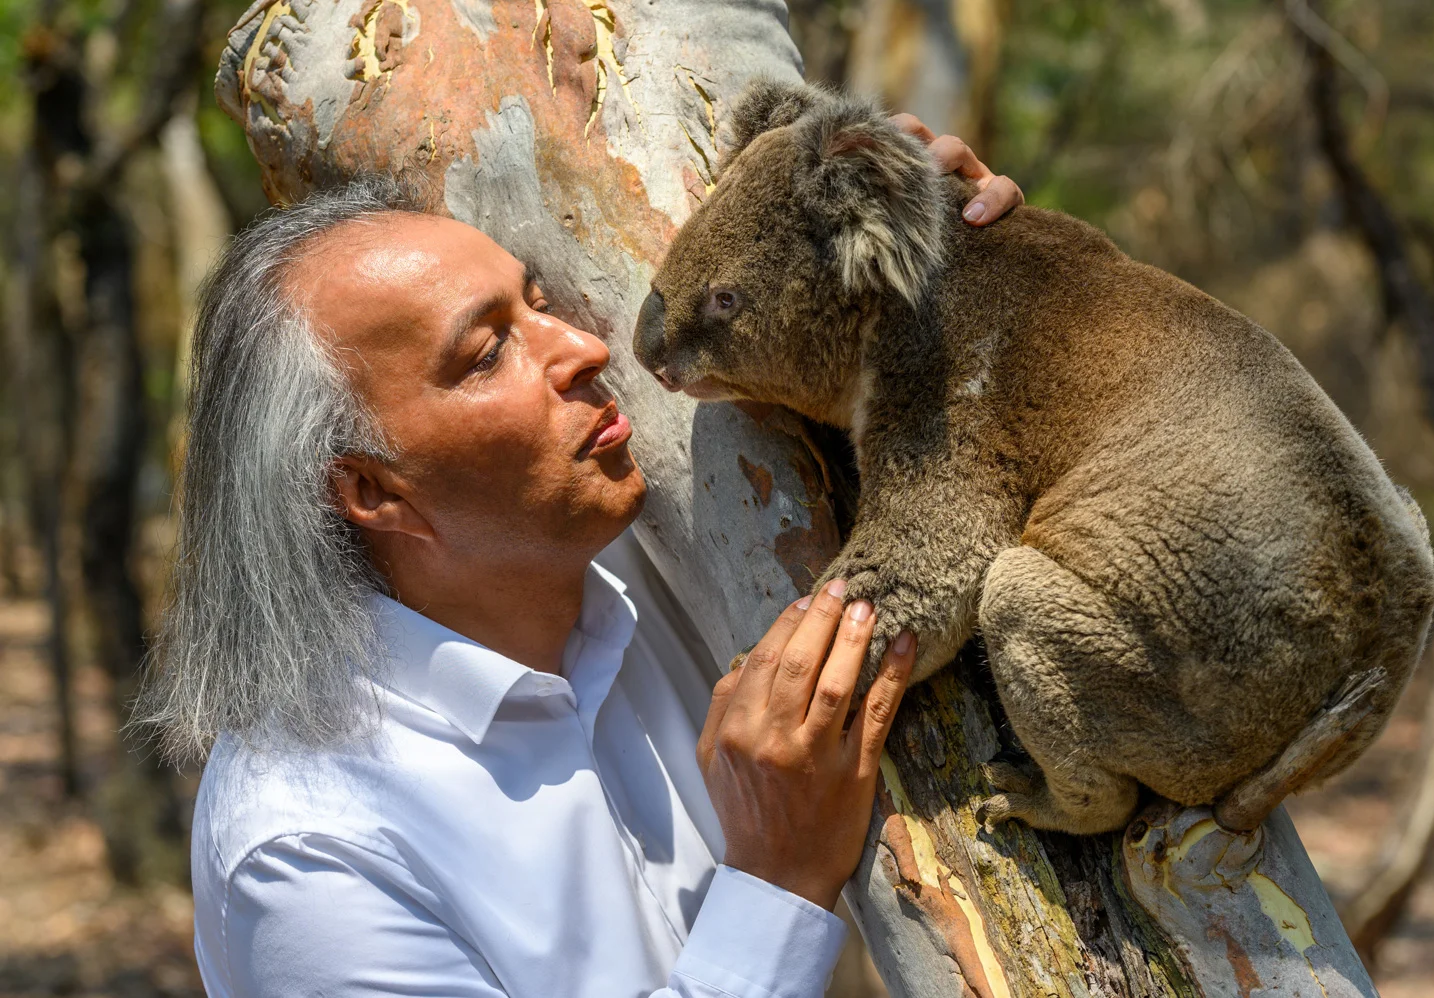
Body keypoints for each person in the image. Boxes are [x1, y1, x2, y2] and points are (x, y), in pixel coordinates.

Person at [138, 118, 1021, 998]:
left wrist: (929, 266)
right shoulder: (309, 858)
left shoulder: (658, 533)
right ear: (374, 492)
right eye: (488, 352)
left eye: (540, 302)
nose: (587, 349)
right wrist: (777, 882)